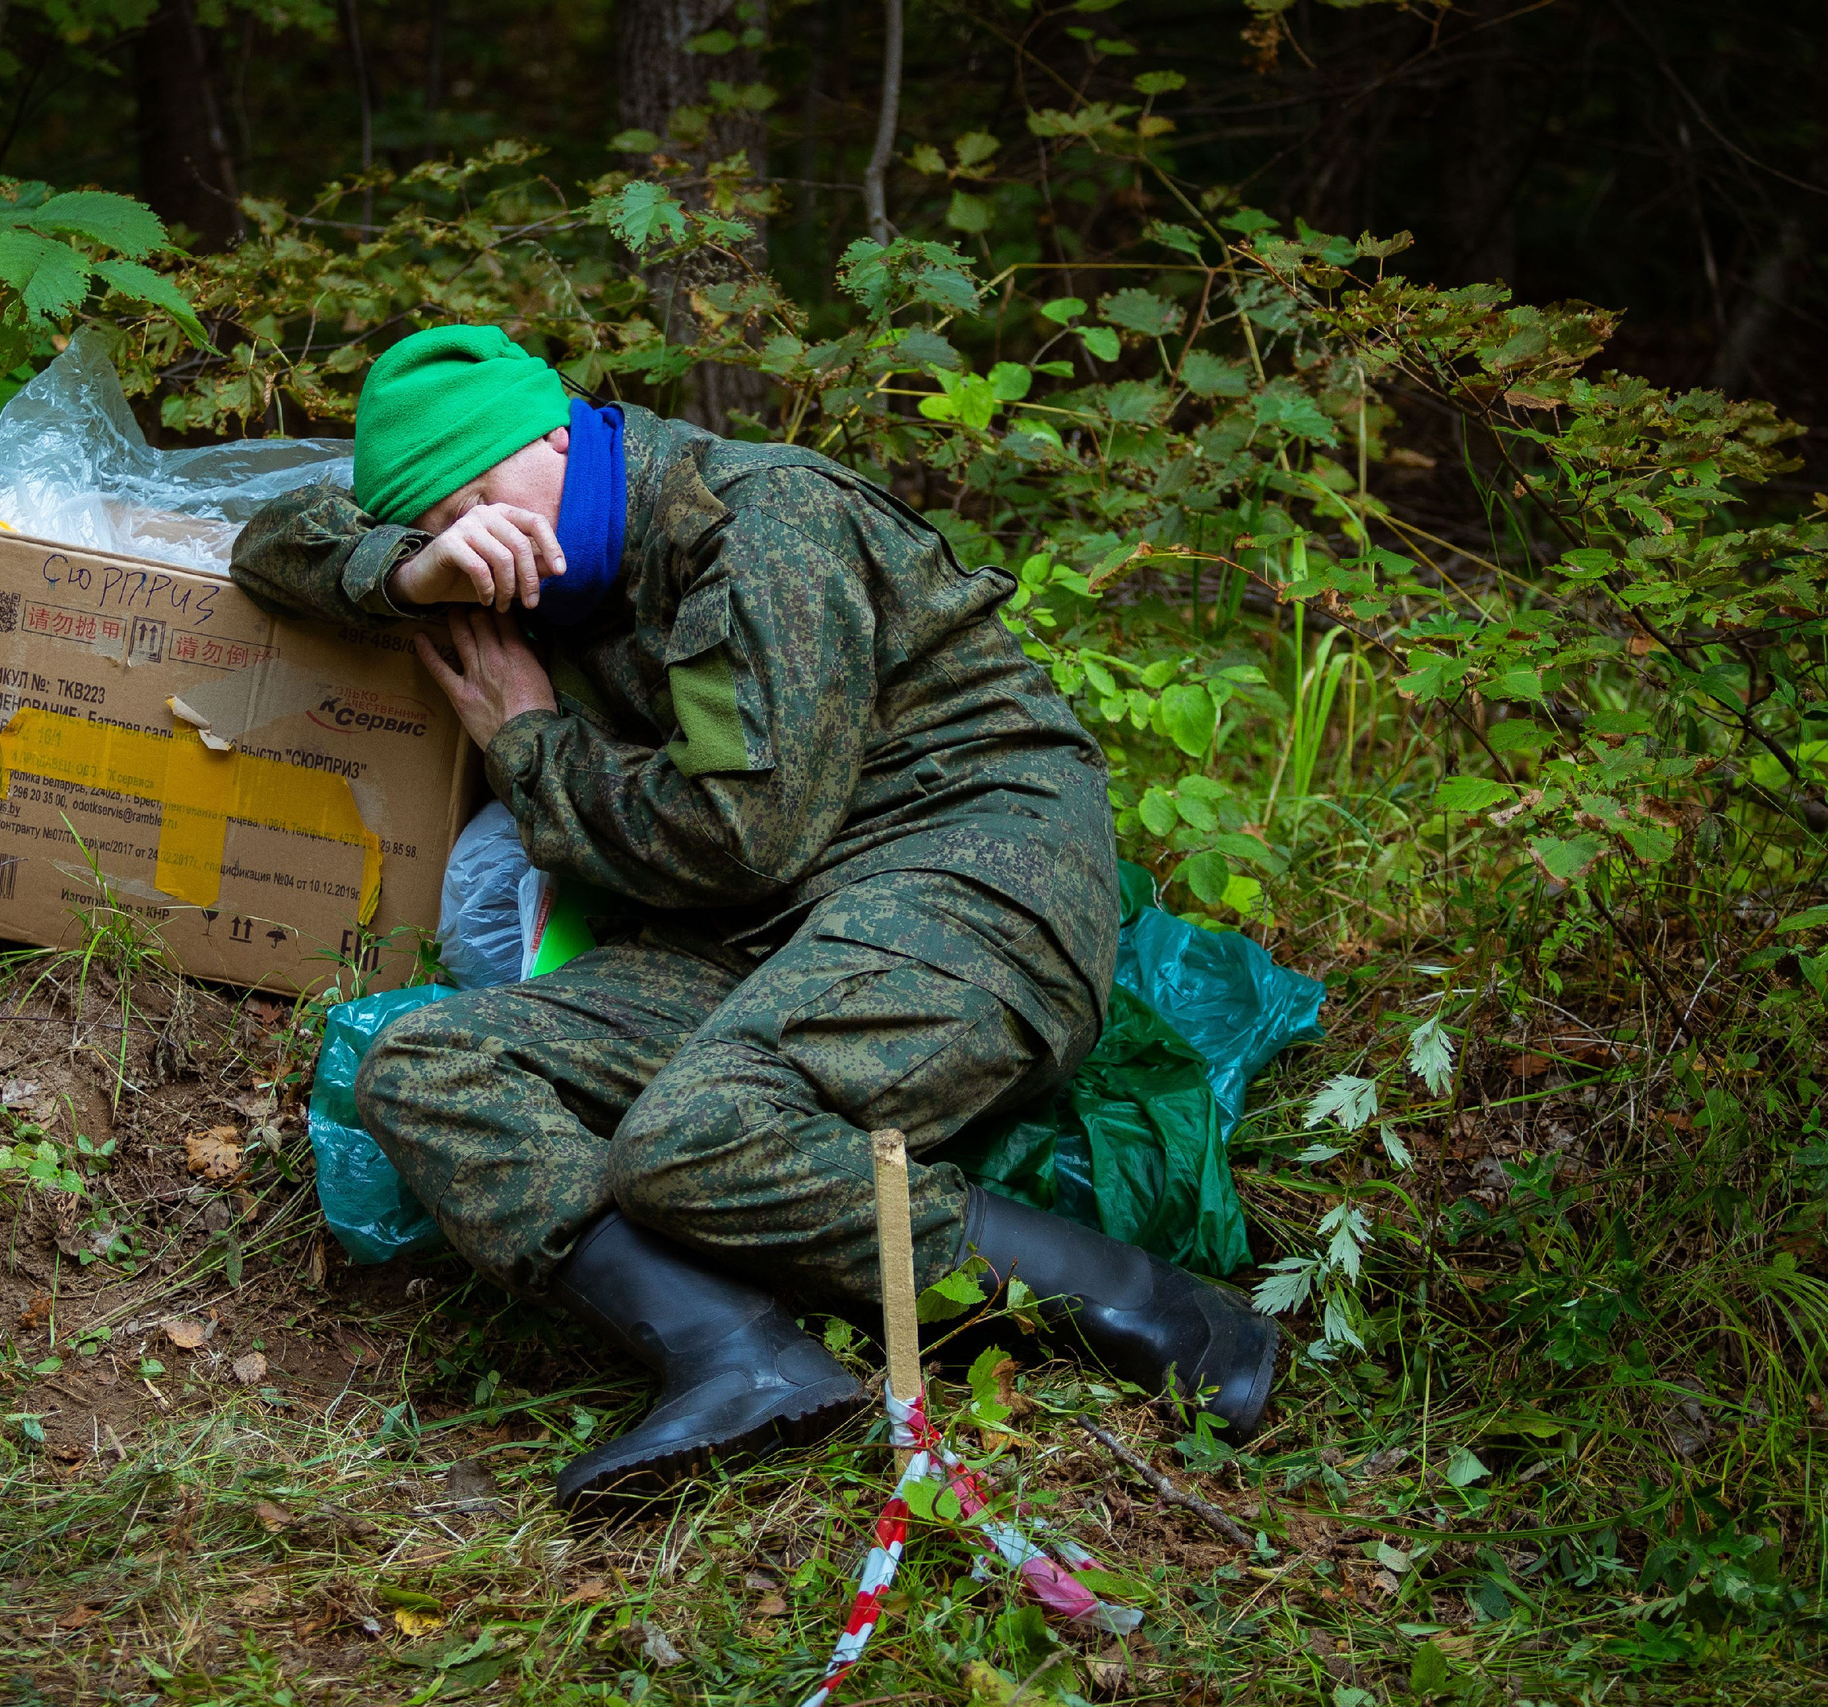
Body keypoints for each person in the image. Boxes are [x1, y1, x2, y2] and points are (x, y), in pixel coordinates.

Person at [232, 325, 1278, 1507]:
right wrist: (408, 576)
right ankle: (737, 1355)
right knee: (429, 1066)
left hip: (974, 883)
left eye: (489, 489)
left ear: (562, 430)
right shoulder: (526, 555)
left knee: (695, 1137)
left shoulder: (759, 523)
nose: (488, 531)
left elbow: (739, 837)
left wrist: (529, 741)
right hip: (768, 930)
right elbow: (273, 542)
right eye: (445, 520)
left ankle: (1165, 1318)